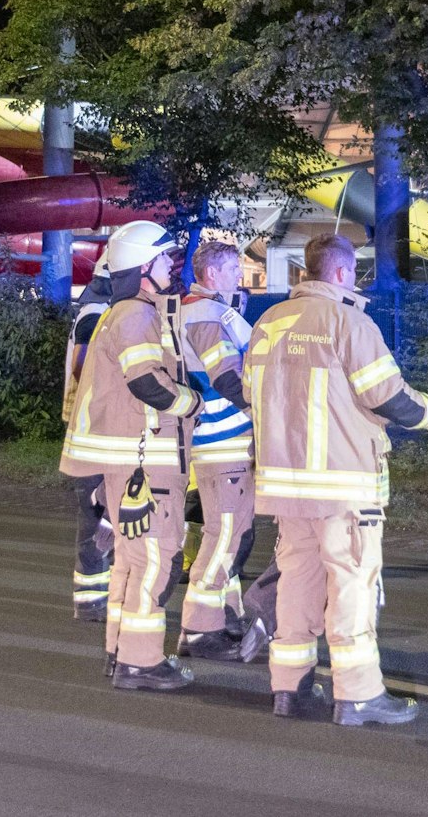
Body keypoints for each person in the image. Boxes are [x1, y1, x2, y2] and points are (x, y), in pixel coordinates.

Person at [249, 233, 428, 725]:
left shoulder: (269, 322)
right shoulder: (349, 322)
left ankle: (289, 689)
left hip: (285, 484)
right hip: (343, 485)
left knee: (296, 581)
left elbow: (248, 391)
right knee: (352, 583)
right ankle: (358, 695)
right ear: (340, 273)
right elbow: (388, 398)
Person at [62, 220, 201, 692]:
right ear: (146, 268)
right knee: (154, 562)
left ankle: (121, 653)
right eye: (164, 259)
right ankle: (140, 663)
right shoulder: (137, 316)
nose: (170, 266)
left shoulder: (124, 313)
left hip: (132, 462)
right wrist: (192, 403)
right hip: (148, 464)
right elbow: (147, 383)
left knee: (130, 560)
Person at [175, 241, 258, 661]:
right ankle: (198, 628)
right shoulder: (206, 316)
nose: (239, 277)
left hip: (214, 439)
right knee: (225, 535)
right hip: (225, 440)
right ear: (212, 275)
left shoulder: (197, 310)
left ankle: (227, 616)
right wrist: (266, 411)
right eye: (233, 270)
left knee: (232, 532)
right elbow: (228, 378)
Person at [62, 264, 116, 624]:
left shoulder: (95, 308)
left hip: (91, 428)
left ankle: (94, 594)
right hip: (94, 430)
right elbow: (84, 371)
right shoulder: (96, 314)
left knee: (101, 515)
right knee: (97, 516)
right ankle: (92, 597)